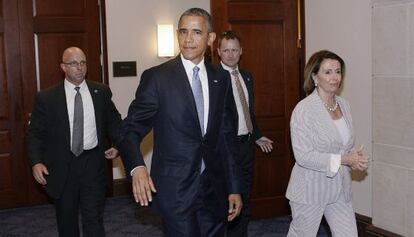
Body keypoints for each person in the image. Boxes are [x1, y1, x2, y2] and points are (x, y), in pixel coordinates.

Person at [118, 8, 242, 237]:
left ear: (211, 38)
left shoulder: (220, 78)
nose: (188, 39)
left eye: (196, 32)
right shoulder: (157, 78)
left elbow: (226, 137)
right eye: (183, 32)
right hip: (176, 190)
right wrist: (137, 168)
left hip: (214, 189)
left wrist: (234, 187)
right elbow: (130, 129)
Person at [27, 47, 122, 237]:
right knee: (66, 219)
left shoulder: (101, 92)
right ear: (63, 67)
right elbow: (35, 133)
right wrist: (36, 162)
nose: (79, 68)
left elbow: (114, 122)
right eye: (73, 64)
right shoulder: (47, 98)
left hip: (93, 162)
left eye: (83, 63)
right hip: (63, 165)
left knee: (93, 218)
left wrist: (118, 145)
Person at [285, 50, 369, 237]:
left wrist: (355, 157)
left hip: (340, 187)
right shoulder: (304, 109)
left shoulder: (344, 105)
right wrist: (345, 159)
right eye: (328, 72)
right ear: (315, 76)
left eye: (338, 71)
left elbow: (341, 146)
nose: (334, 77)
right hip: (310, 189)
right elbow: (304, 156)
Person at [216, 30, 273, 237]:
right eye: (226, 50)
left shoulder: (247, 76)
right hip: (224, 150)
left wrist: (256, 134)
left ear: (241, 51)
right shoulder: (213, 79)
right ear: (218, 52)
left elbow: (247, 111)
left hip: (246, 146)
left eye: (234, 50)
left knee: (245, 198)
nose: (230, 55)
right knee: (228, 198)